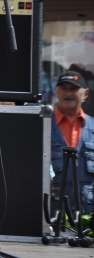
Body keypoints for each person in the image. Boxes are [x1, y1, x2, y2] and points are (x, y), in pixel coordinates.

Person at [51, 71, 94, 213]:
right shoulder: (42, 126)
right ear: (56, 91)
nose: (68, 93)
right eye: (64, 88)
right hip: (52, 215)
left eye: (74, 88)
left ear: (85, 93)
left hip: (88, 216)